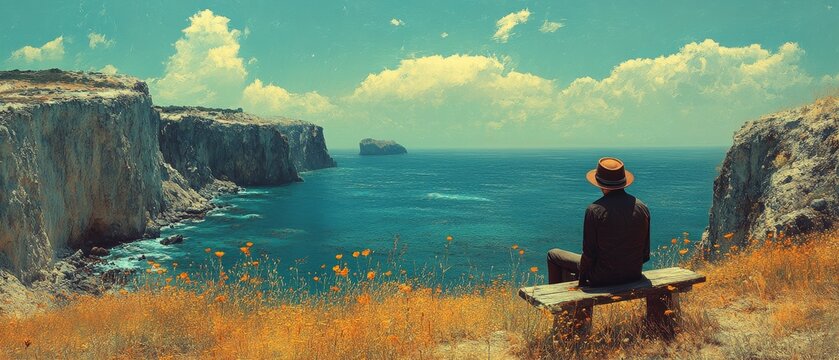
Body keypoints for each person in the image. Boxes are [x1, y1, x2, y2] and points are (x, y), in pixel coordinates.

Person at [547, 157, 650, 287]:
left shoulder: (594, 210)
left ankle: (553, 302)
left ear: (599, 183)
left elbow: (589, 254)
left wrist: (582, 283)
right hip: (634, 275)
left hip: (602, 277)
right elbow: (645, 254)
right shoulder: (642, 207)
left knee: (553, 254)